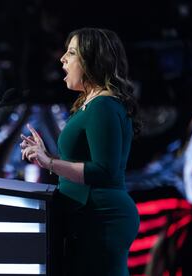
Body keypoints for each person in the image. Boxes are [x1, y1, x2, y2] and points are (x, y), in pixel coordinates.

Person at [20, 27, 141, 275]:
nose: (62, 58)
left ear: (92, 61)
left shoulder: (103, 105)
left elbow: (104, 171)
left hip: (100, 218)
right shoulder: (93, 103)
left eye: (71, 52)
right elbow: (85, 164)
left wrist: (50, 163)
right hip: (86, 215)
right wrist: (49, 157)